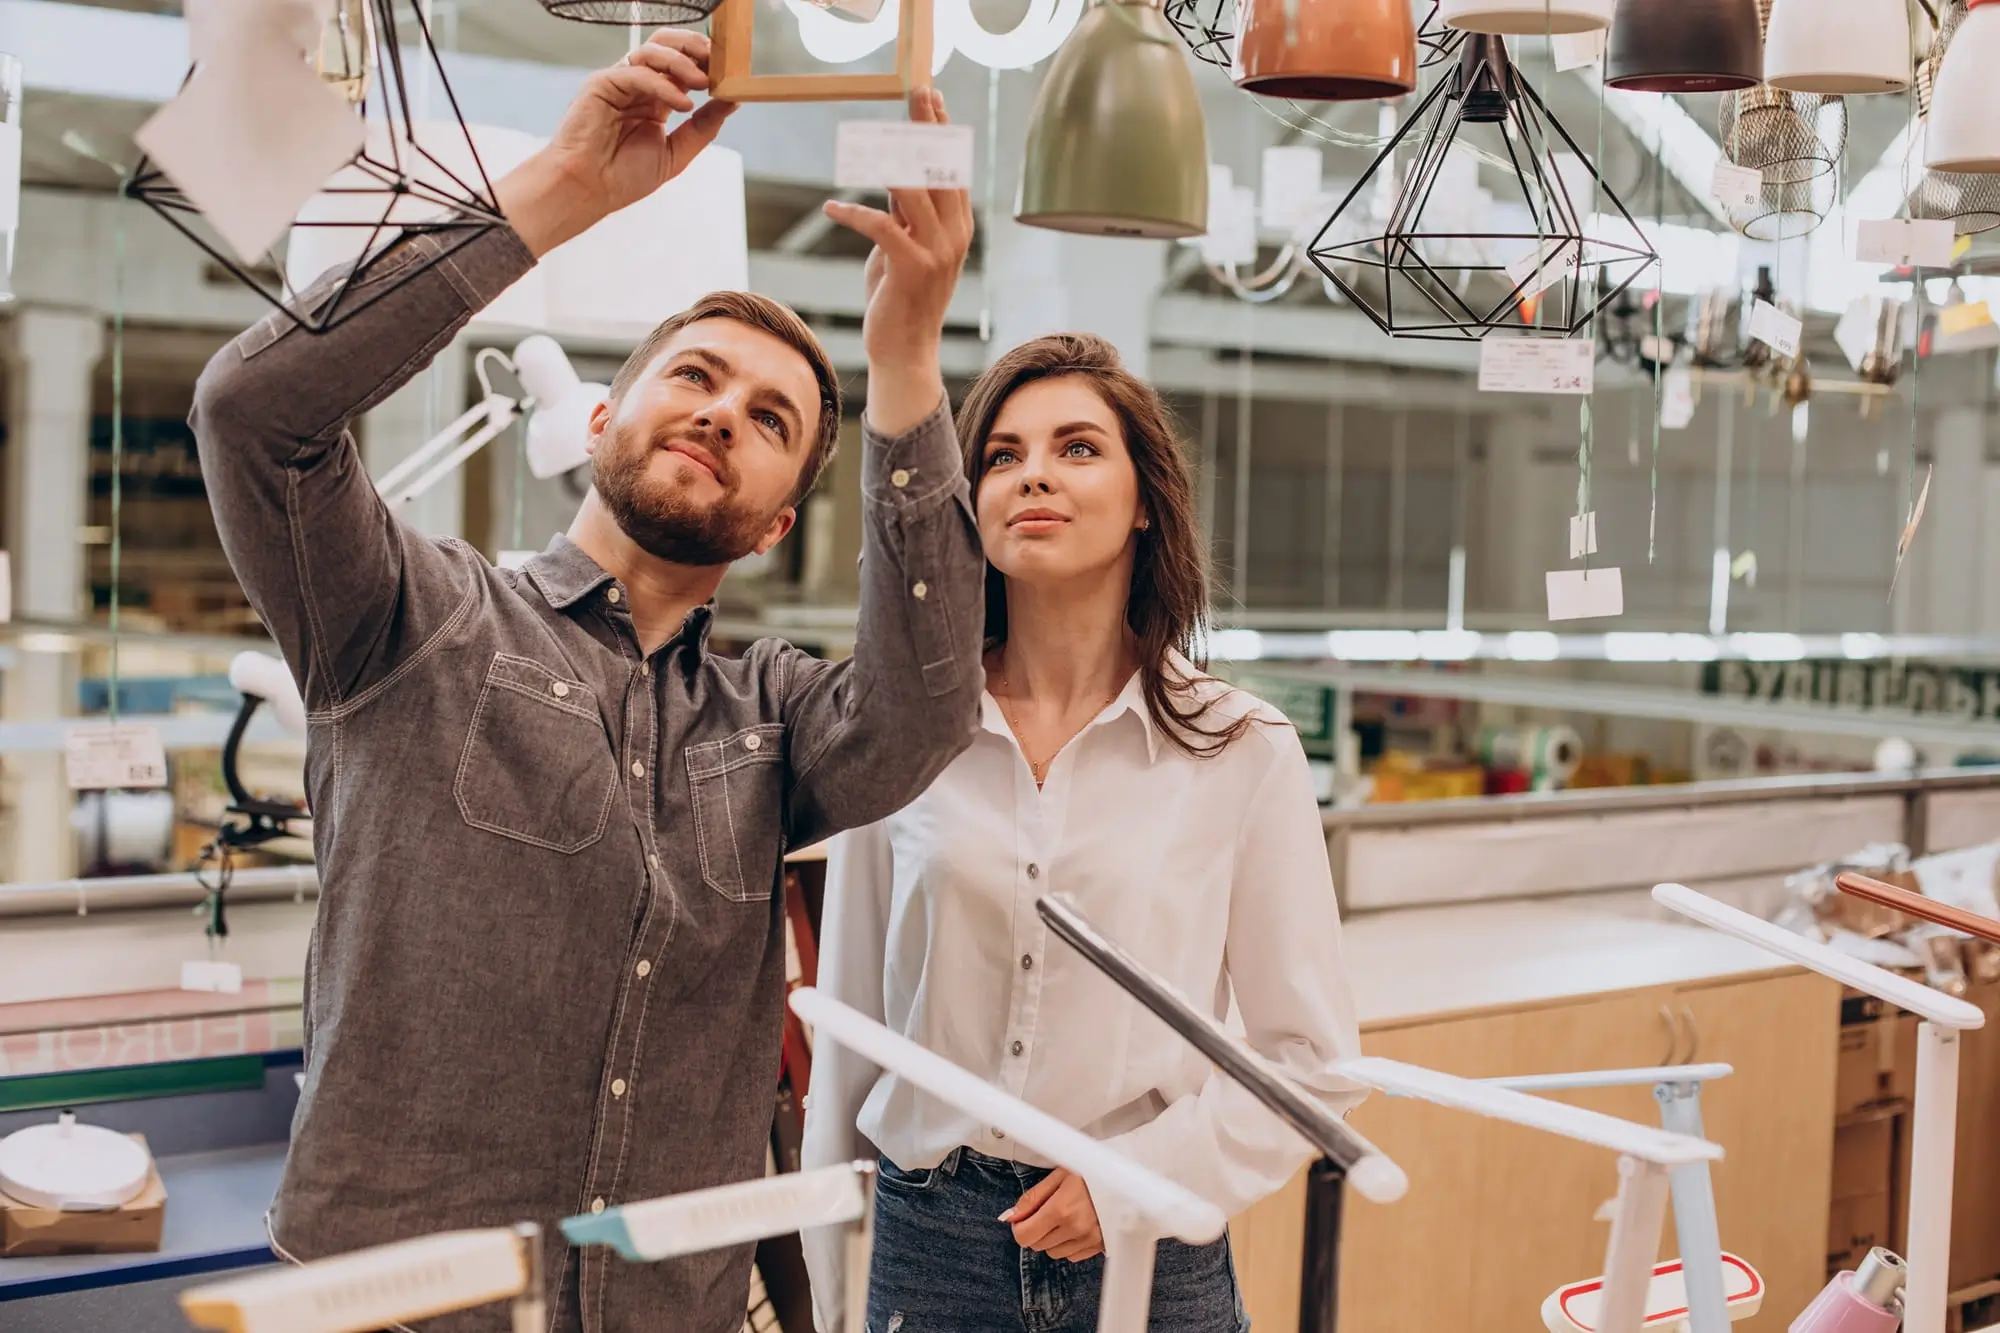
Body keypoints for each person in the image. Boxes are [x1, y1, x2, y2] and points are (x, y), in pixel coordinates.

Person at [191, 32, 983, 1333]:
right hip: (402, 1313)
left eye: (772, 420)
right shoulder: (405, 619)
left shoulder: (773, 719)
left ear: (780, 522)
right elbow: (253, 415)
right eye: (696, 376)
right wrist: (562, 189)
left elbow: (929, 705)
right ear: (603, 419)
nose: (727, 413)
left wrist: (905, 363)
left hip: (675, 1308)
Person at [800, 334, 1364, 1332]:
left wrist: (1132, 1180)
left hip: (1150, 1244)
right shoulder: (899, 737)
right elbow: (848, 1032)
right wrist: (827, 1282)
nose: (1034, 476)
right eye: (1003, 456)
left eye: (1076, 448)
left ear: (1145, 498)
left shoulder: (1239, 750)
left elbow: (1308, 1062)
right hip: (927, 1244)